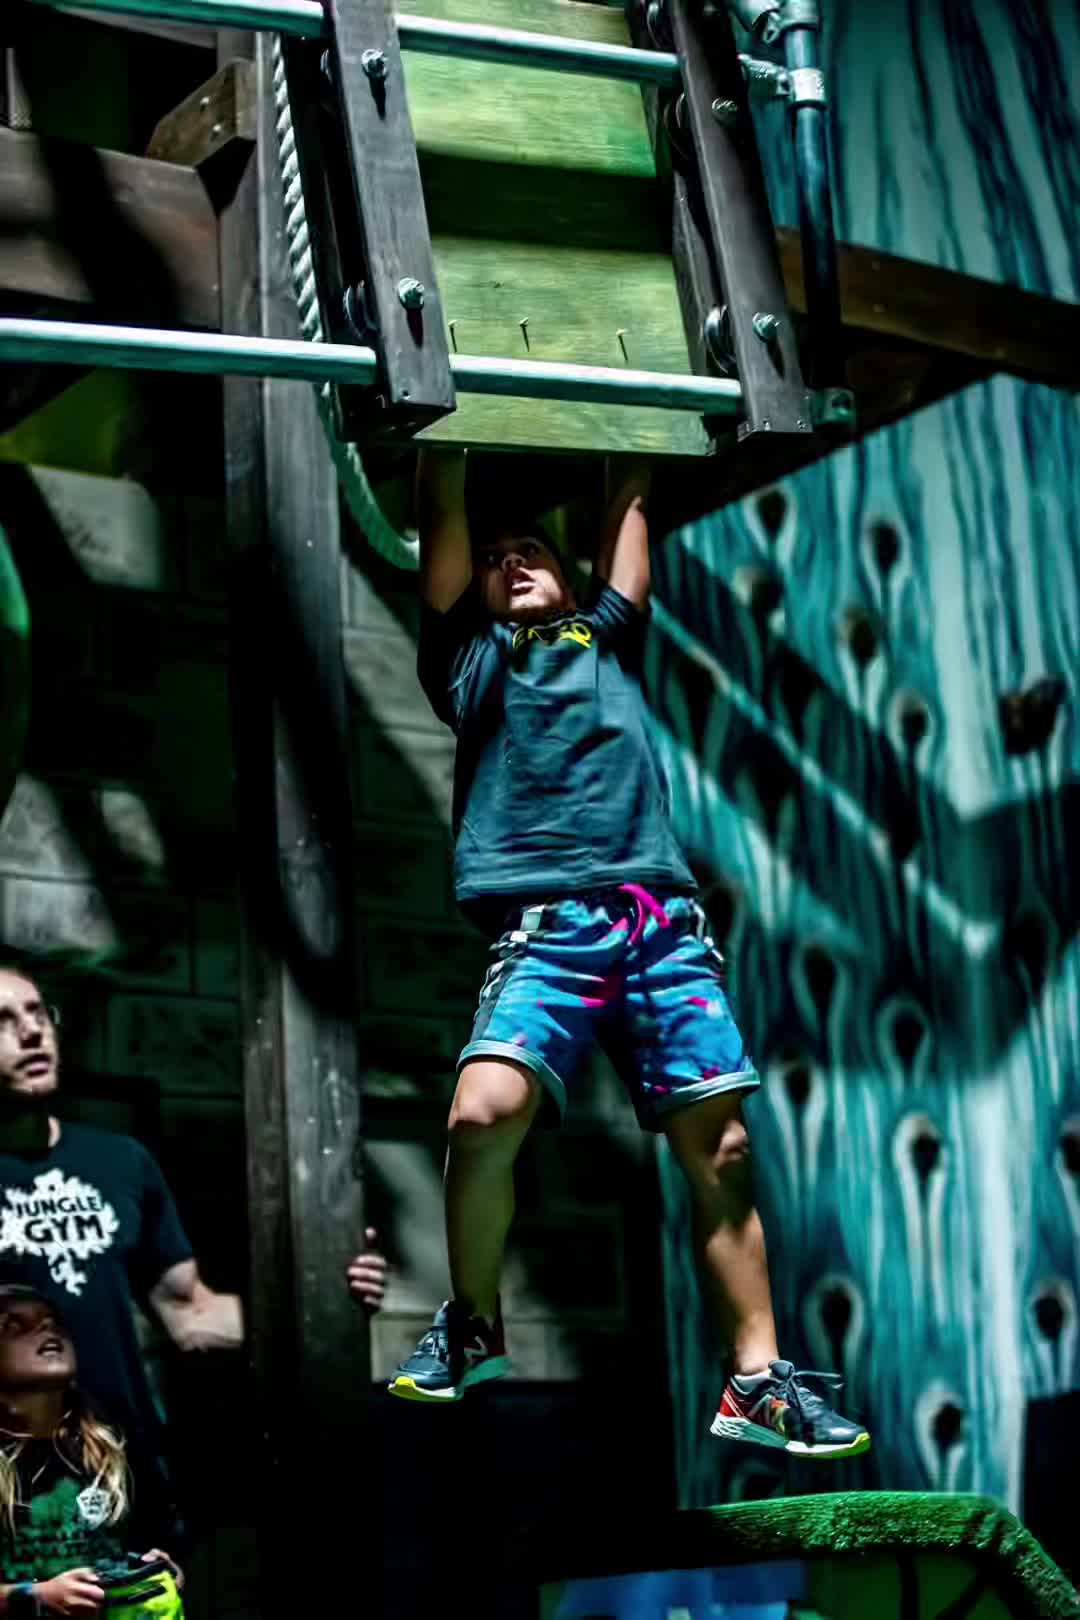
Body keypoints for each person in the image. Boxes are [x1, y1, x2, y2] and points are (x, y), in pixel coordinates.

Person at [388, 450, 870, 1458]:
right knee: (481, 1113)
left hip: (659, 926)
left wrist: (632, 434)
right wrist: (442, 449)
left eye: (532, 551)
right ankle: (472, 1322)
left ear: (571, 577)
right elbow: (442, 501)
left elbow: (631, 486)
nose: (512, 563)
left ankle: (757, 1380)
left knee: (722, 1148)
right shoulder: (471, 664)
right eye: (495, 559)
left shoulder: (606, 633)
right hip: (548, 929)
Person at [0, 962, 388, 1540]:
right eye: (4, 1021)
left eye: (38, 1013)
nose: (32, 1032)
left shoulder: (120, 1162)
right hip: (12, 1496)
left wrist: (327, 1303)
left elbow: (191, 1313)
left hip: (118, 1479)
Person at [0, 1282, 181, 1617]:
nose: (46, 1328)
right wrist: (35, 1596)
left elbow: (149, 1540)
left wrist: (154, 1568)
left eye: (52, 1321)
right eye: (14, 1325)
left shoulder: (113, 1446)